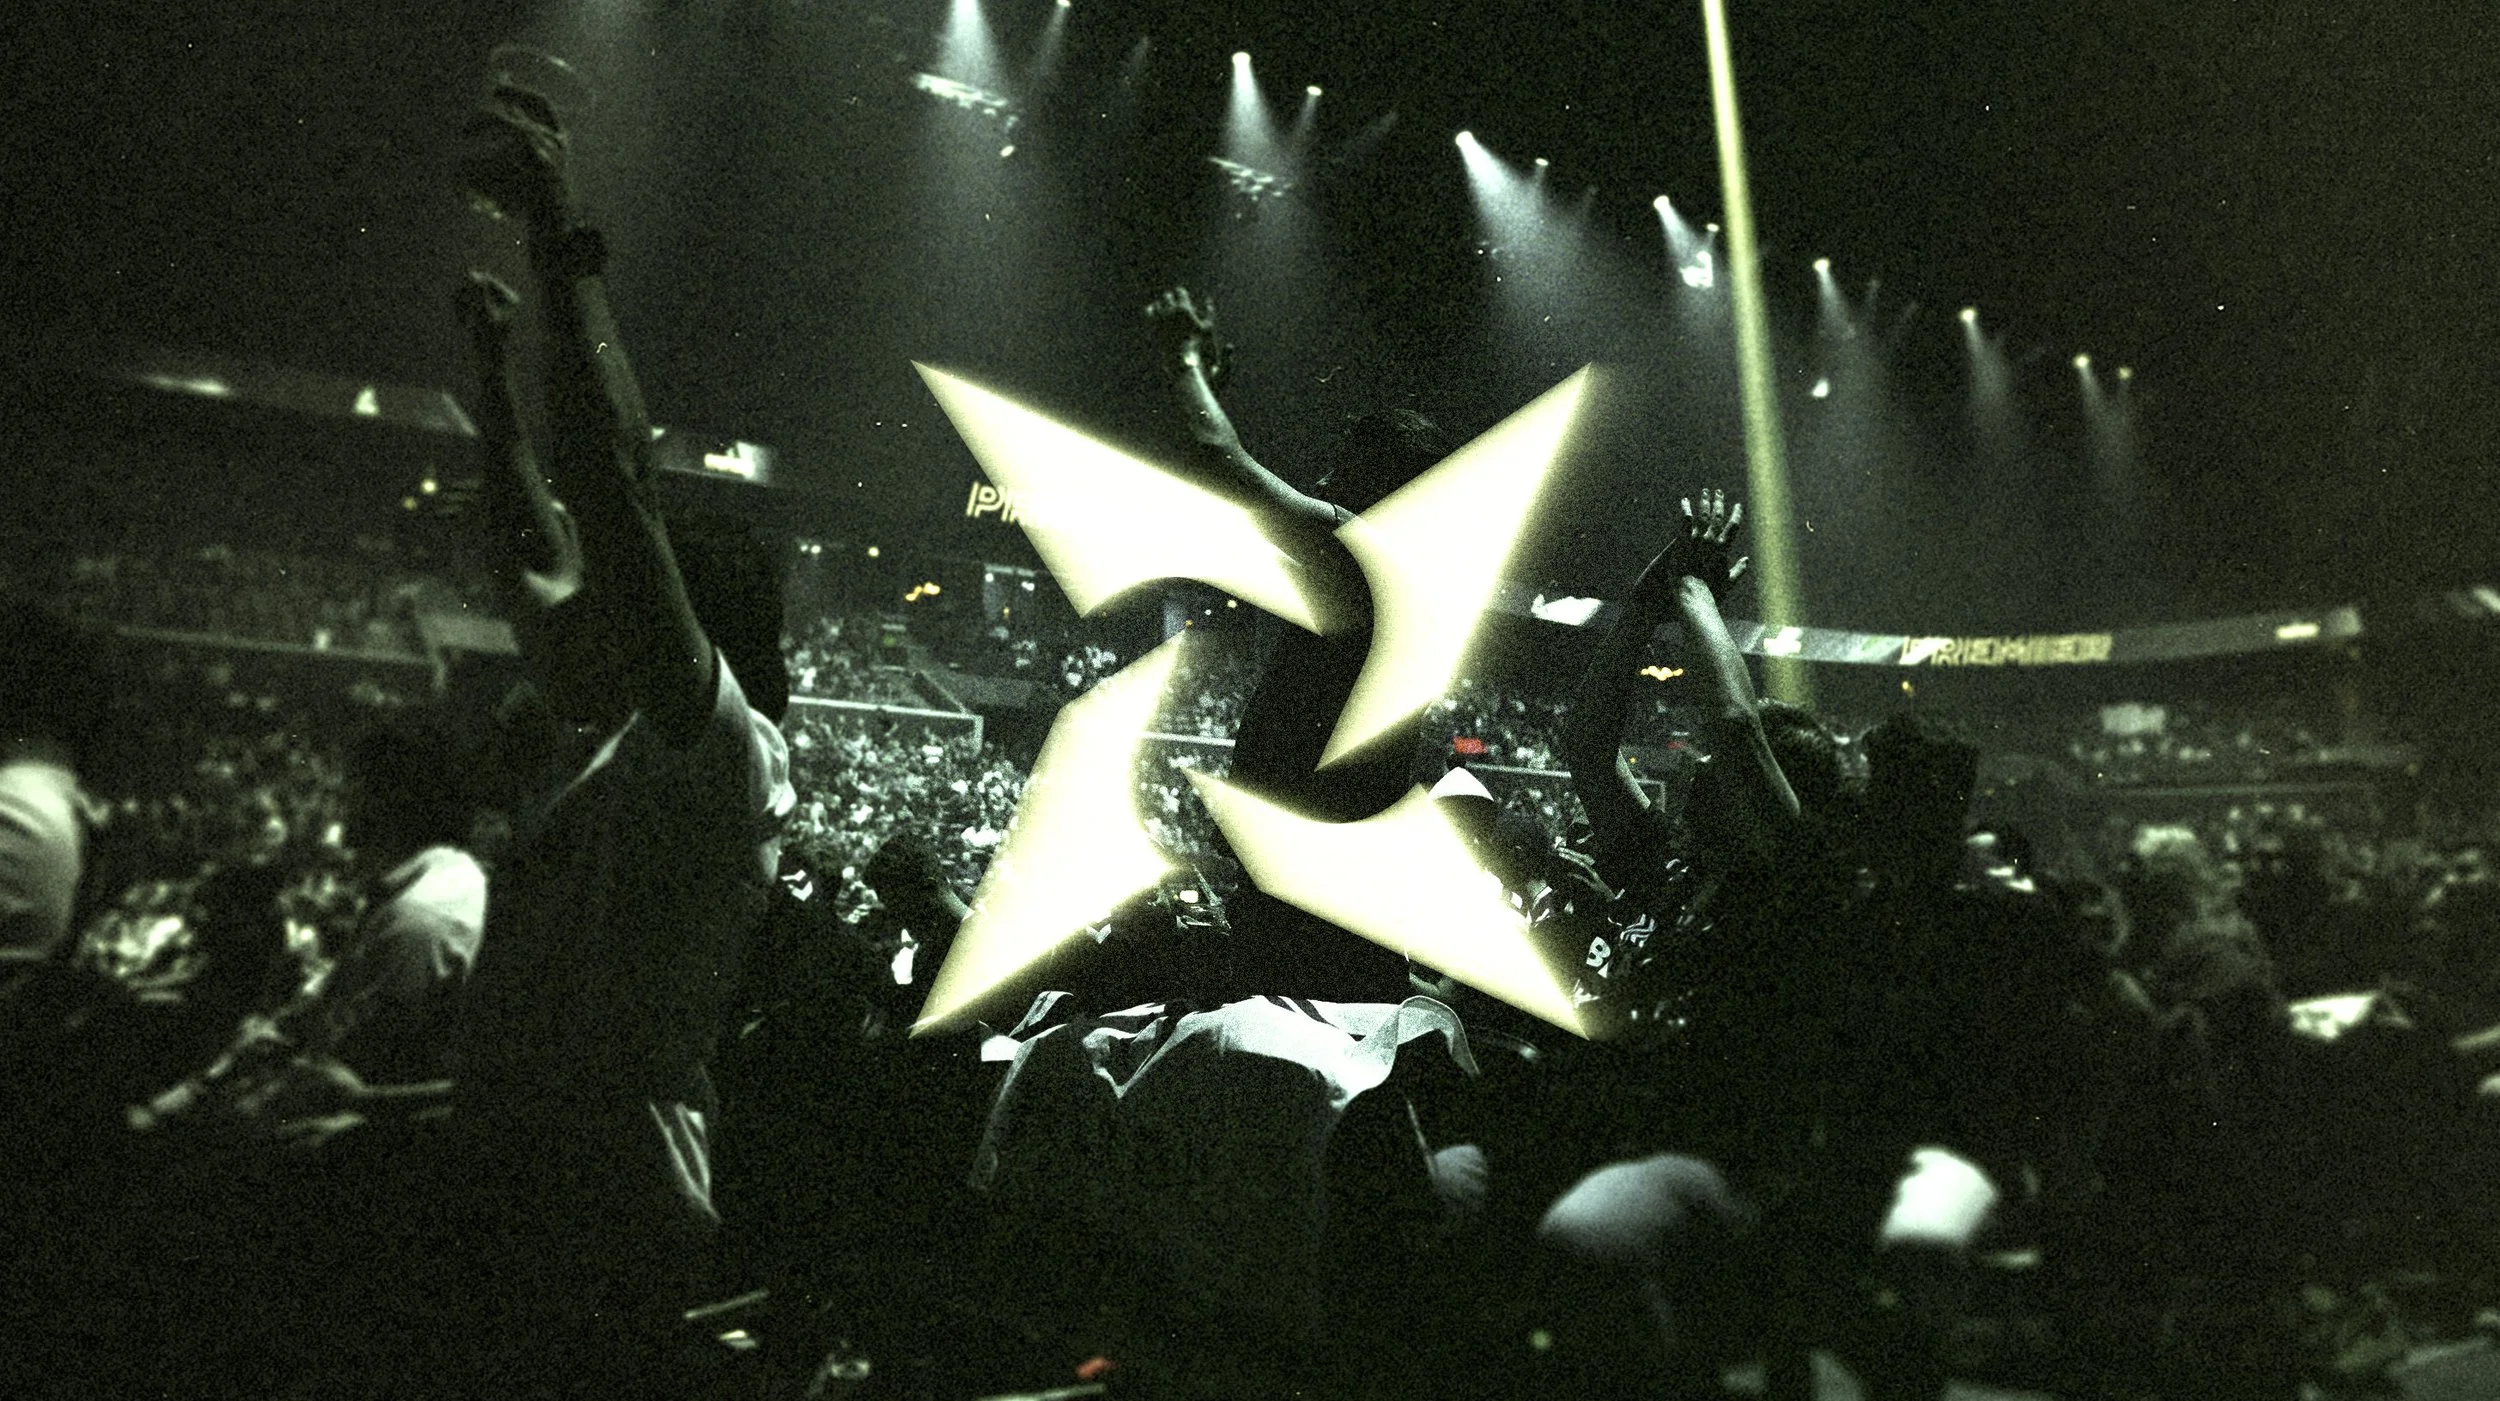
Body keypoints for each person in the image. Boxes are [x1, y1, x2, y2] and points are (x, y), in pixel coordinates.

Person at [425, 82, 796, 1399]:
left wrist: (561, 235)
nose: (560, 599)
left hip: (605, 1218)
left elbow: (610, 494)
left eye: (617, 593)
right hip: (517, 1181)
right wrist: (492, 387)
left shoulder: (718, 755)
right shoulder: (600, 735)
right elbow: (537, 546)